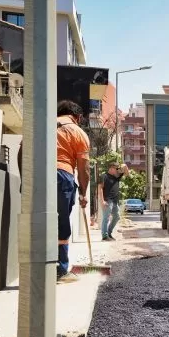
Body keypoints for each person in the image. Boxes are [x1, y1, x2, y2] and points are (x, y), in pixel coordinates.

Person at [56, 100, 91, 283]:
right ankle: (60, 270)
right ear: (77, 117)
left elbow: (22, 152)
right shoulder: (77, 132)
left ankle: (35, 266)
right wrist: (83, 193)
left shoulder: (40, 125)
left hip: (36, 173)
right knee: (61, 222)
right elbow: (84, 168)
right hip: (62, 175)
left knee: (37, 220)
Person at [98, 162, 128, 241]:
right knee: (106, 218)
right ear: (111, 168)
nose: (118, 170)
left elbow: (127, 173)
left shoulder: (116, 177)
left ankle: (109, 233)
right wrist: (102, 201)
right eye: (116, 169)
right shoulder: (103, 176)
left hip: (115, 201)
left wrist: (124, 166)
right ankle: (104, 236)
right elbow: (100, 188)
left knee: (117, 217)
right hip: (108, 200)